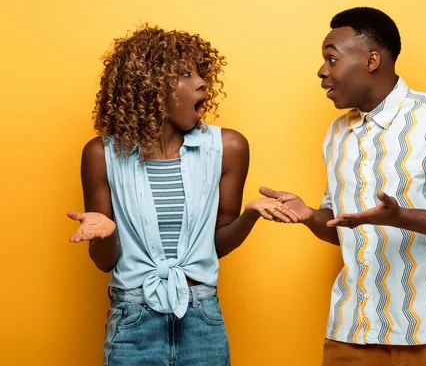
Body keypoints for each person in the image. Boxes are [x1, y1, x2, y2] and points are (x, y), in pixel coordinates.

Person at [260, 7, 426, 366]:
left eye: (331, 58)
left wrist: (401, 217)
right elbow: (345, 227)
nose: (322, 71)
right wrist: (312, 216)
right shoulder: (337, 134)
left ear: (372, 60)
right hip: (353, 331)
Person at [67, 25, 298, 366]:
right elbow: (104, 261)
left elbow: (216, 244)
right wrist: (107, 231)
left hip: (202, 317)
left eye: (202, 73)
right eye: (186, 74)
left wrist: (250, 216)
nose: (202, 82)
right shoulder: (101, 155)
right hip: (132, 319)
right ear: (148, 86)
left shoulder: (229, 148)